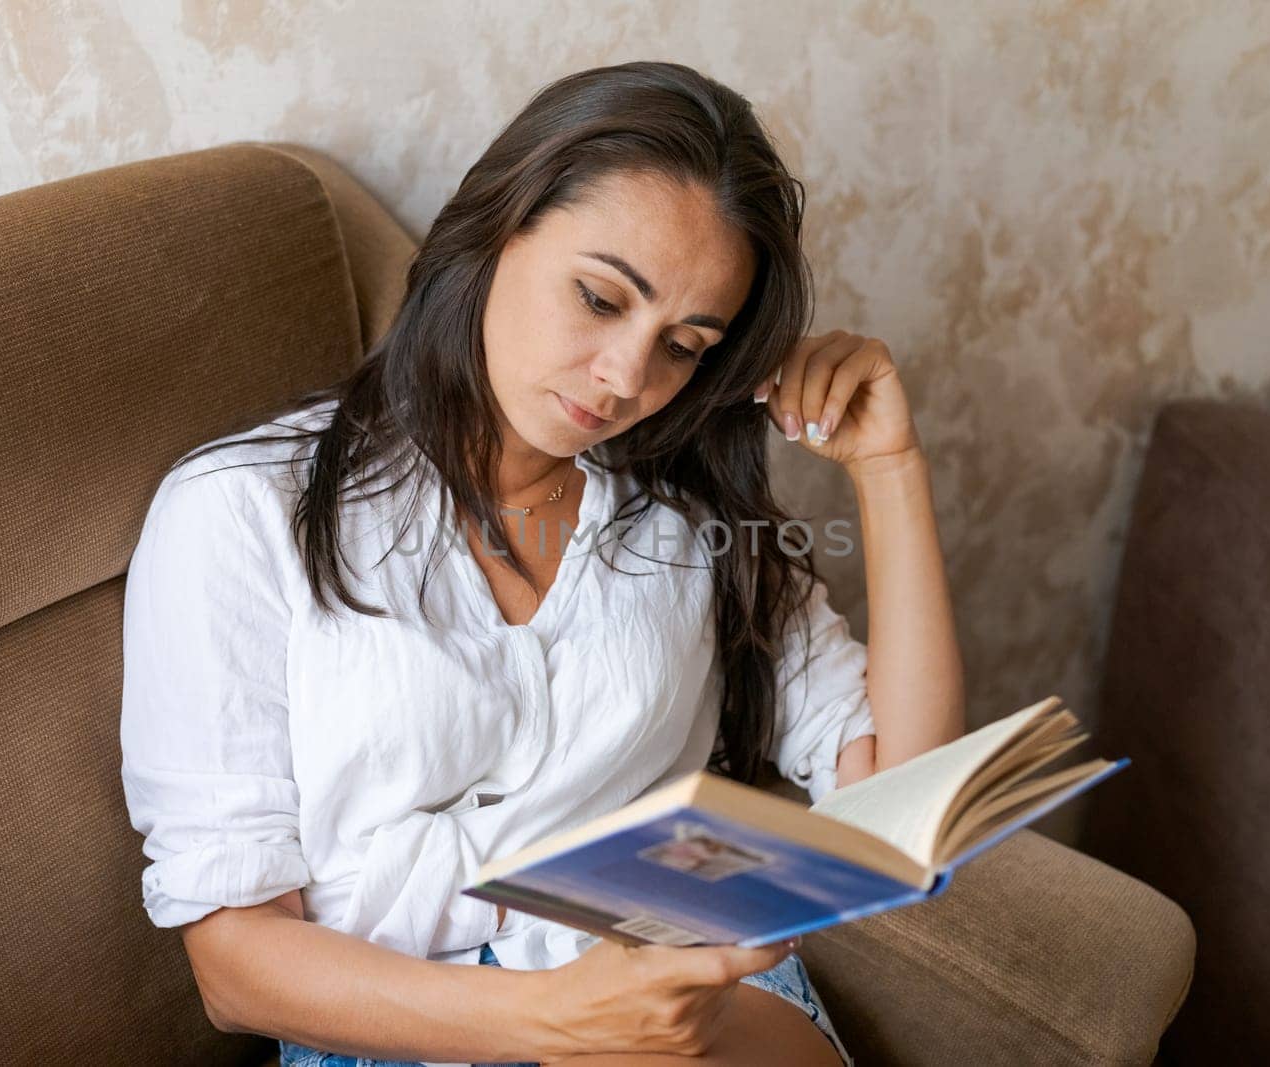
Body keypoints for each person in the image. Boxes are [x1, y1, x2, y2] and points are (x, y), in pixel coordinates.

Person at [119, 59, 964, 1067]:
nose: (624, 379)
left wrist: (889, 468)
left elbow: (907, 811)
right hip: (404, 1023)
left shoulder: (688, 512)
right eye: (600, 298)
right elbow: (234, 968)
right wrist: (554, 1019)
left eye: (683, 345)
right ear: (495, 226)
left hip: (679, 971)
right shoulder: (243, 512)